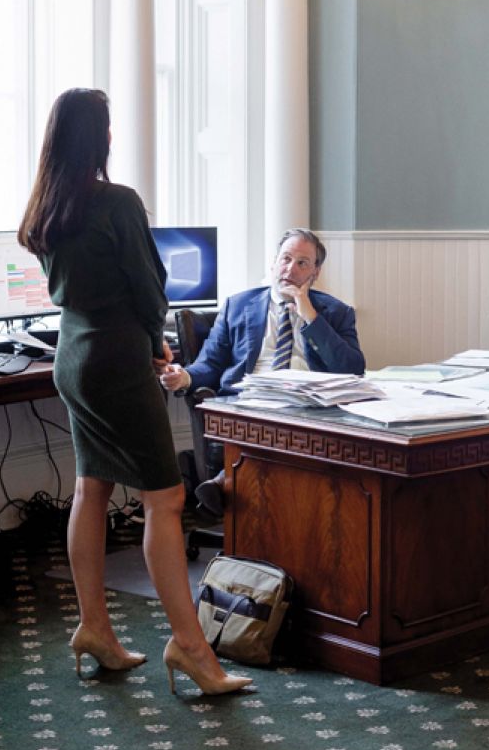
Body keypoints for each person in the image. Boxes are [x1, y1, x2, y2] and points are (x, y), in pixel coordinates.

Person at [18, 88, 251, 697]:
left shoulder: (46, 206)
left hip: (73, 354)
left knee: (91, 488)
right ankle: (191, 647)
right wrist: (157, 342)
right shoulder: (116, 201)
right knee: (166, 499)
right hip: (119, 357)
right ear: (100, 136)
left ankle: (95, 628)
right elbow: (149, 285)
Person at [160, 228, 365, 516]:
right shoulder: (238, 305)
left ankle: (225, 482)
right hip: (251, 400)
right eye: (286, 259)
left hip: (312, 406)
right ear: (274, 262)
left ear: (315, 272)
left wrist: (310, 315)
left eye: (302, 263)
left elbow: (352, 369)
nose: (290, 269)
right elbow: (211, 363)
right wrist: (184, 377)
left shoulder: (336, 312)